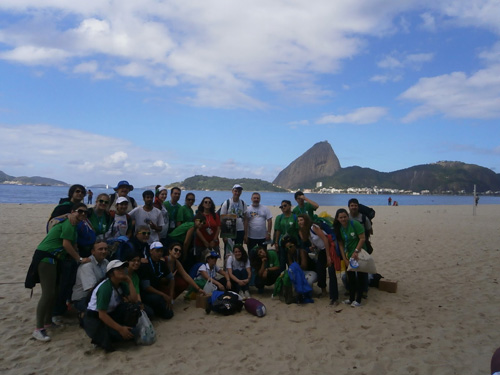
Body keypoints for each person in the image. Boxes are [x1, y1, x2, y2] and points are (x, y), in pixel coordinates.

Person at [28, 203, 91, 342]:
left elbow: (73, 244)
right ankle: (38, 329)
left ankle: (48, 322)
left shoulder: (74, 226)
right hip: (46, 257)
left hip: (54, 259)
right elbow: (66, 244)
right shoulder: (69, 222)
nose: (82, 214)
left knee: (55, 291)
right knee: (48, 293)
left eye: (85, 213)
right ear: (73, 212)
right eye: (80, 211)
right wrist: (79, 259)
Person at [83, 260, 139, 352]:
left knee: (132, 309)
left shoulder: (120, 284)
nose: (122, 271)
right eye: (118, 269)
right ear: (111, 273)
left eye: (122, 268)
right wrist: (120, 329)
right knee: (132, 333)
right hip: (95, 320)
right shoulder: (105, 288)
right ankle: (101, 338)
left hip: (110, 314)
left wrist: (130, 282)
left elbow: (134, 300)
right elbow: (102, 314)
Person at [334, 208, 367, 307]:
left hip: (359, 254)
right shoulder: (338, 228)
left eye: (345, 217)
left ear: (348, 217)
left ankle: (358, 300)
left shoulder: (354, 224)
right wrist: (344, 258)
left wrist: (356, 251)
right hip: (348, 255)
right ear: (337, 218)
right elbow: (340, 244)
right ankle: (351, 298)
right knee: (351, 278)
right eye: (341, 217)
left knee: (360, 277)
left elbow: (362, 238)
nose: (343, 219)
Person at [71, 240, 109, 320]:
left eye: (105, 249)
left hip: (99, 294)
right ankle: (82, 314)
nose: (104, 251)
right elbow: (91, 290)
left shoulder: (105, 262)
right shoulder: (87, 266)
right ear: (93, 251)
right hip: (83, 298)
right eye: (100, 249)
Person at [138, 242, 174, 320]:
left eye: (161, 251)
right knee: (158, 300)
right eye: (157, 251)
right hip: (145, 294)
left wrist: (171, 296)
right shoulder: (145, 265)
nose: (160, 253)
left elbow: (171, 278)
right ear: (151, 251)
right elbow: (146, 287)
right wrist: (163, 295)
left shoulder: (162, 263)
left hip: (157, 290)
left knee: (169, 314)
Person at [297, 214, 330, 297]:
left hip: (327, 248)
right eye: (298, 221)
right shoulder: (306, 230)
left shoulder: (313, 227)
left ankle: (324, 291)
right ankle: (323, 290)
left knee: (321, 268)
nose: (300, 222)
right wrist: (314, 247)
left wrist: (328, 255)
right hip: (321, 250)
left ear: (306, 220)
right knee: (320, 268)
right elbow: (316, 241)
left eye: (301, 220)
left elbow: (325, 239)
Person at [220, 184, 247, 254]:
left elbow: (245, 219)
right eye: (236, 191)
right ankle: (227, 264)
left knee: (239, 250)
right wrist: (224, 235)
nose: (237, 193)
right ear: (232, 191)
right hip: (229, 230)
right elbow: (222, 219)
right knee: (228, 250)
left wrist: (245, 234)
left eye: (239, 191)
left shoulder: (243, 203)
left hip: (240, 230)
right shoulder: (227, 203)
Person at [273, 200, 299, 272]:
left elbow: (298, 230)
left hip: (292, 242)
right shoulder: (279, 217)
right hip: (282, 242)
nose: (283, 207)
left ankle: (293, 276)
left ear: (290, 206)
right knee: (282, 261)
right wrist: (276, 242)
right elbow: (278, 230)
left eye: (285, 205)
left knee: (292, 260)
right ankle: (283, 279)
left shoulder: (294, 217)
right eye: (281, 206)